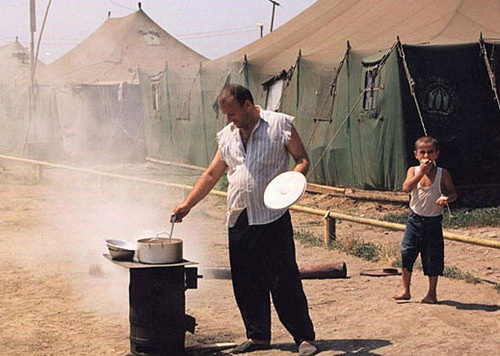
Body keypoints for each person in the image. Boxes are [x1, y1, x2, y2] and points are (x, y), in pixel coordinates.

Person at [172, 84, 317, 355]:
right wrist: (188, 203)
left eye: (233, 113)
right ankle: (258, 337)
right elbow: (211, 175)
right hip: (240, 217)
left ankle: (304, 337)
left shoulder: (279, 124)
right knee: (246, 281)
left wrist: (292, 182)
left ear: (248, 105)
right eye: (226, 115)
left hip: (273, 215)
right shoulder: (227, 136)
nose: (230, 120)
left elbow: (302, 159)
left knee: (284, 279)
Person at [394, 136, 457, 304]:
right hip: (414, 220)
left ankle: (432, 293)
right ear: (416, 154)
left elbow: (453, 193)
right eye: (422, 152)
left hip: (433, 221)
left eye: (430, 152)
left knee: (432, 257)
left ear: (437, 153)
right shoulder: (413, 171)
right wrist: (420, 172)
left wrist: (446, 199)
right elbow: (406, 188)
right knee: (407, 252)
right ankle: (406, 289)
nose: (426, 156)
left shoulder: (442, 174)